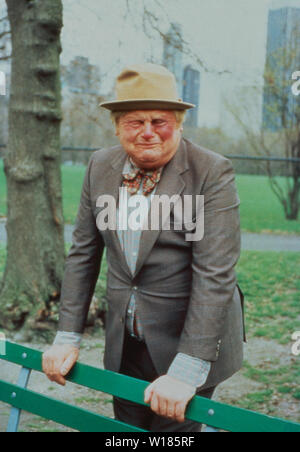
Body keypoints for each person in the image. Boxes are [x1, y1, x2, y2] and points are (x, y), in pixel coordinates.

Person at [42, 63, 245, 432]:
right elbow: (83, 254)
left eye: (160, 121)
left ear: (179, 123)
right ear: (117, 126)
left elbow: (214, 274)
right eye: (135, 122)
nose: (148, 132)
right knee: (127, 432)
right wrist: (66, 337)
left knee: (172, 436)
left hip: (188, 339)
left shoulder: (212, 171)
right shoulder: (99, 165)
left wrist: (185, 372)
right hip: (126, 340)